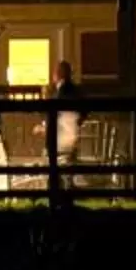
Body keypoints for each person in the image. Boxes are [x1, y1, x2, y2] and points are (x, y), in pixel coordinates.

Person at [49, 60, 84, 199]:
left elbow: (57, 116)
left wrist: (45, 127)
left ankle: (59, 191)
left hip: (61, 140)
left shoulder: (60, 93)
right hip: (73, 138)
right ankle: (68, 188)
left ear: (57, 75)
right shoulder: (76, 91)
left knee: (53, 160)